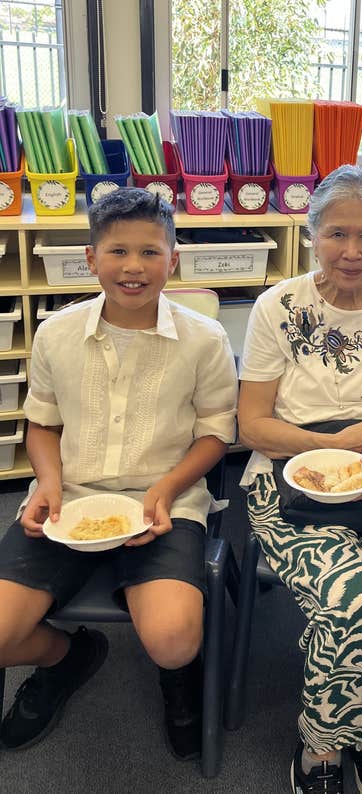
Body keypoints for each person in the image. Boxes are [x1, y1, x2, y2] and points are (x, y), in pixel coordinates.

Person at [0, 188, 238, 761]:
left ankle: (178, 677)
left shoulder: (206, 340)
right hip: (69, 504)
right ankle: (68, 657)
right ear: (91, 258)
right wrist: (48, 485)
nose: (134, 267)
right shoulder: (57, 332)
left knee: (173, 639)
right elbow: (43, 425)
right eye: (118, 252)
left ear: (173, 259)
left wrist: (165, 489)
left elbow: (214, 434)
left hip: (166, 503)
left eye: (151, 252)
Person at [238, 164, 362, 794]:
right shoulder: (280, 307)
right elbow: (253, 426)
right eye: (336, 234)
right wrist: (333, 445)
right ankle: (341, 747)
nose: (352, 252)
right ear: (310, 234)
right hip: (289, 480)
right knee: (351, 607)